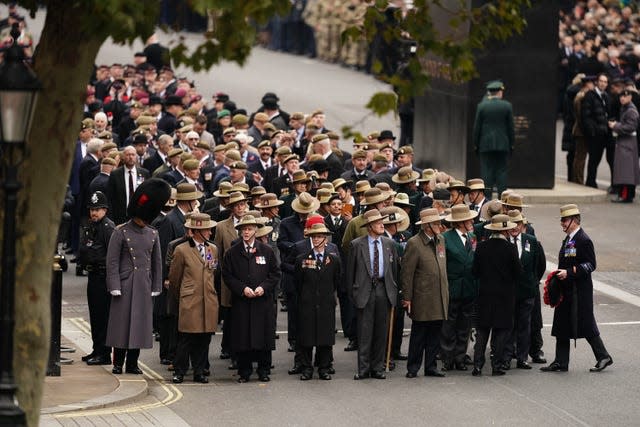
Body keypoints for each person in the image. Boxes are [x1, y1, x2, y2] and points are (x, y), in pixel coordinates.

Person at [106, 178, 170, 374]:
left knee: (139, 327)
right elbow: (113, 261)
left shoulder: (152, 233)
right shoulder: (121, 231)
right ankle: (118, 363)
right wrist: (114, 284)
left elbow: (157, 262)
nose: (143, 222)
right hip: (125, 284)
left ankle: (132, 363)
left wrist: (156, 286)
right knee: (121, 326)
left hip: (143, 284)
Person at [541, 204, 613, 373]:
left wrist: (569, 272)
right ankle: (561, 361)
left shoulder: (584, 240)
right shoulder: (569, 239)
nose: (562, 223)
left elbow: (590, 265)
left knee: (586, 324)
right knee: (561, 324)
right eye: (561, 220)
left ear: (574, 220)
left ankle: (603, 356)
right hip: (566, 290)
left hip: (579, 291)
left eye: (565, 220)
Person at [222, 215, 281, 383]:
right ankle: (244, 371)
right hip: (242, 302)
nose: (246, 232)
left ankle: (264, 370)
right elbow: (227, 275)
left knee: (263, 337)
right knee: (243, 338)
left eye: (249, 229)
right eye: (244, 229)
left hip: (262, 302)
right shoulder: (232, 252)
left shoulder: (267, 250)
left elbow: (275, 274)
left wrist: (263, 287)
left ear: (256, 230)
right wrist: (242, 289)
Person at [346, 209, 399, 380]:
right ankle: (363, 368)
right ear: (369, 226)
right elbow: (350, 273)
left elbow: (395, 270)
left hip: (383, 289)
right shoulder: (356, 244)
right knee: (364, 331)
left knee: (381, 331)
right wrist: (353, 294)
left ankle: (378, 367)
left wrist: (394, 290)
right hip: (364, 290)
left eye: (382, 222)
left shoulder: (389, 244)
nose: (382, 224)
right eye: (378, 222)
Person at [168, 213, 219, 384]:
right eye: (207, 230)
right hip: (190, 300)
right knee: (186, 339)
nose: (210, 232)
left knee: (204, 339)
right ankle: (179, 371)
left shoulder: (213, 249)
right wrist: (181, 297)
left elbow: (213, 273)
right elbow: (175, 279)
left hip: (208, 300)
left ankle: (199, 371)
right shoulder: (181, 250)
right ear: (197, 231)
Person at [471, 214, 521, 376]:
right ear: (505, 231)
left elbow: (475, 272)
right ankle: (496, 365)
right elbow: (518, 272)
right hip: (504, 296)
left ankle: (477, 364)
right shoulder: (510, 249)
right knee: (501, 331)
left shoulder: (482, 247)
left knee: (482, 330)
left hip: (485, 294)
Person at [401, 208, 449, 378]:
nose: (440, 226)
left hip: (439, 295)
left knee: (435, 334)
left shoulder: (440, 240)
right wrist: (407, 297)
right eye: (436, 223)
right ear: (427, 226)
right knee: (419, 334)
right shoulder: (414, 243)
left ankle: (431, 366)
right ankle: (413, 367)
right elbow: (407, 273)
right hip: (422, 297)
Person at [293, 222, 341, 380]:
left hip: (326, 303)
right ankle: (307, 368)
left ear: (325, 239)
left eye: (319, 236)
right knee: (306, 337)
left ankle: (324, 368)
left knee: (325, 338)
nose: (316, 239)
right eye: (313, 236)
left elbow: (337, 282)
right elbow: (298, 283)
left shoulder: (333, 260)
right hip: (307, 303)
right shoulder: (302, 259)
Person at [501, 210, 545, 371]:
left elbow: (539, 265)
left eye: (518, 224)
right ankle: (506, 358)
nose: (515, 227)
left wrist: (532, 282)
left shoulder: (531, 241)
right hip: (509, 292)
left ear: (522, 225)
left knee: (525, 325)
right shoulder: (504, 241)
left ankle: (522, 358)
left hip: (527, 292)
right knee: (508, 326)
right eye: (512, 224)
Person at [78, 191, 116, 365]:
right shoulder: (92, 225)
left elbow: (112, 255)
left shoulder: (108, 227)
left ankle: (104, 354)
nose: (94, 213)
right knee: (95, 316)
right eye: (92, 209)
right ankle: (97, 349)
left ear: (105, 210)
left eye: (98, 209)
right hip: (93, 276)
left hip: (103, 278)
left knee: (103, 317)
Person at [440, 204, 478, 372]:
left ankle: (460, 358)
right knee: (449, 325)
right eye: (469, 219)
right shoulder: (445, 238)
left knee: (465, 326)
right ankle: (447, 359)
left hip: (469, 288)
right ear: (461, 222)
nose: (472, 221)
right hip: (452, 287)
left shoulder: (472, 236)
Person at [472, 80, 515, 198]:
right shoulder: (507, 106)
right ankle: (502, 197)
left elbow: (477, 127)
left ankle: (487, 198)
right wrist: (512, 144)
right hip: (503, 145)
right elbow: (511, 127)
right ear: (499, 92)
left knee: (487, 172)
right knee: (502, 172)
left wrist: (476, 144)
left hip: (485, 145)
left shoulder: (482, 106)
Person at [608, 89, 640, 203]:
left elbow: (630, 127)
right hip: (626, 142)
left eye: (625, 96)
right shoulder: (626, 108)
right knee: (625, 170)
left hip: (627, 143)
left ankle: (625, 195)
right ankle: (626, 195)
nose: (622, 98)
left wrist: (616, 125)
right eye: (621, 96)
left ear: (630, 97)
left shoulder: (631, 111)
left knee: (626, 172)